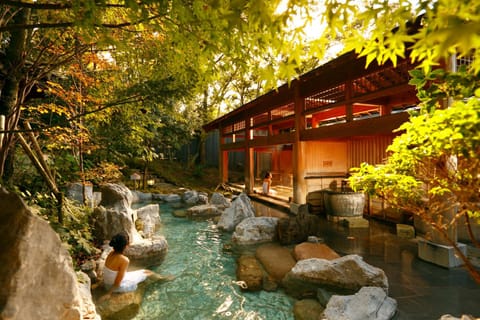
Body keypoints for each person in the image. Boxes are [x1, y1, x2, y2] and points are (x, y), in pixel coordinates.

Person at [100, 232, 172, 301]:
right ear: (126, 245)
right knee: (147, 272)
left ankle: (161, 278)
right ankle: (163, 279)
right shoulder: (124, 260)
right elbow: (117, 283)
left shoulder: (111, 254)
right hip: (117, 287)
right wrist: (108, 294)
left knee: (144, 272)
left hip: (107, 284)